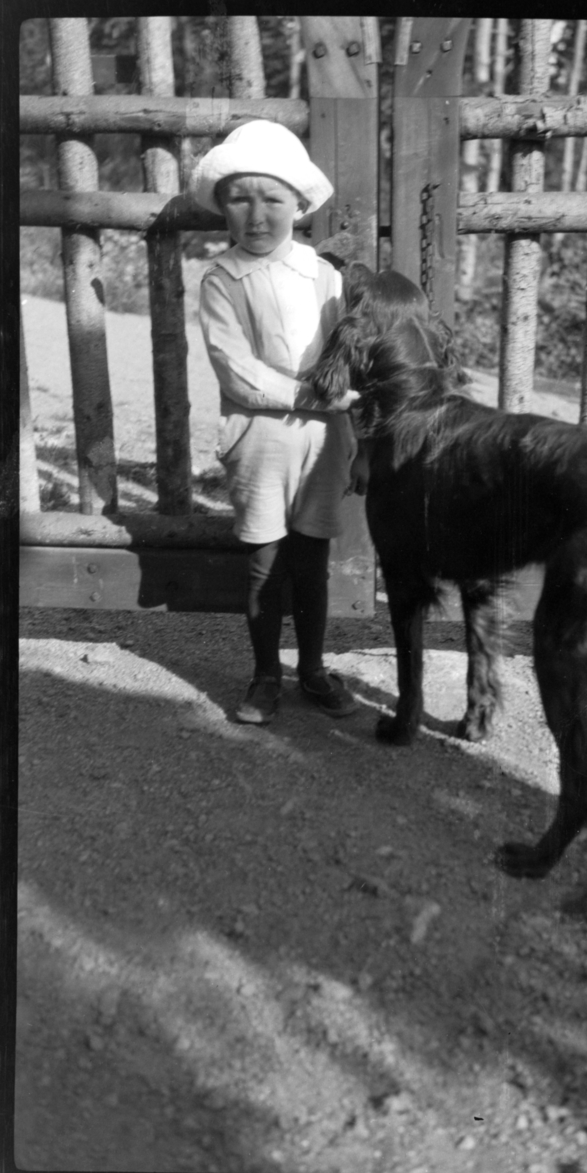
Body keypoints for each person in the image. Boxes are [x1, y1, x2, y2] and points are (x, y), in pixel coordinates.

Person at [191, 120, 360, 726]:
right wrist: (317, 397)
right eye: (241, 198)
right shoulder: (221, 279)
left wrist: (352, 429)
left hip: (322, 442)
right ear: (223, 208)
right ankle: (265, 673)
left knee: (312, 558)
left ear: (297, 204)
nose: (257, 215)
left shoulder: (324, 274)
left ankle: (310, 669)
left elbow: (344, 352)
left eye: (273, 199)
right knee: (265, 559)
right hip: (259, 439)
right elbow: (237, 373)